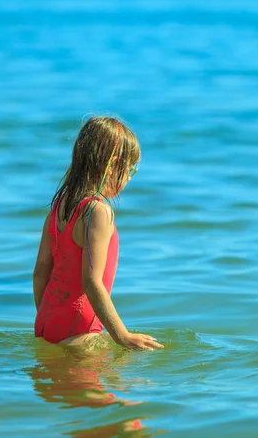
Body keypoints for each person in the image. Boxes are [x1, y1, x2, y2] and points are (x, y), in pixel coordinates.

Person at [32, 116, 163, 351]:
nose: (130, 177)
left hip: (47, 321)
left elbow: (40, 272)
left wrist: (50, 319)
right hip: (79, 327)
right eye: (131, 169)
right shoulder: (97, 211)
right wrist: (122, 335)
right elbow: (92, 281)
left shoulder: (59, 206)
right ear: (113, 164)